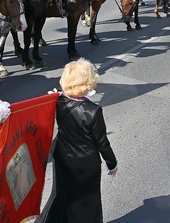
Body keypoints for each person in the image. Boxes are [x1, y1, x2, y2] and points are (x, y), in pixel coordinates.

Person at [38, 59, 117, 223]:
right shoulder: (93, 111)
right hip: (86, 164)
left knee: (61, 194)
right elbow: (102, 143)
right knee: (87, 201)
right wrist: (112, 163)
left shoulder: (57, 101)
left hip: (62, 158)